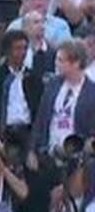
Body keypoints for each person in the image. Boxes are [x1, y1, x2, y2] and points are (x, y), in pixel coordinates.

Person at [27, 39, 95, 211]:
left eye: (61, 60)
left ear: (76, 63)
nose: (56, 63)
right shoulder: (52, 85)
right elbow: (41, 120)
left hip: (76, 159)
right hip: (48, 154)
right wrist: (32, 150)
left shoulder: (92, 92)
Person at [0, 30, 44, 156]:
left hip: (27, 130)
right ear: (7, 51)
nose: (22, 53)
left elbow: (39, 107)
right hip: (4, 131)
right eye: (17, 48)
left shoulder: (33, 77)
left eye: (25, 48)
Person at [7, 0, 72, 48]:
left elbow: (66, 50)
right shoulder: (15, 26)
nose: (37, 3)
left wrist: (41, 38)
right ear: (27, 2)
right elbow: (9, 51)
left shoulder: (61, 25)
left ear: (48, 1)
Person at [21, 10, 57, 76]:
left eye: (43, 22)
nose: (42, 26)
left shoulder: (54, 52)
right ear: (25, 28)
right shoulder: (19, 52)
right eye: (36, 22)